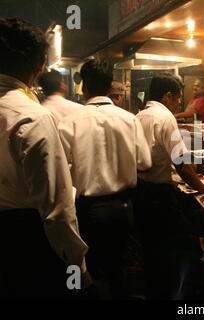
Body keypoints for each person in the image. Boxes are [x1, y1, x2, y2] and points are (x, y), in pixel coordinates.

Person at [0, 17, 89, 299]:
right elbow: (57, 209)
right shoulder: (31, 116)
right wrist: (79, 264)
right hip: (24, 242)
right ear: (39, 64)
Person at [57, 59, 152, 299]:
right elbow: (145, 163)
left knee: (94, 269)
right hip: (123, 207)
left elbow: (61, 170)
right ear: (111, 86)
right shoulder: (129, 119)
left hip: (88, 209)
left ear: (83, 87)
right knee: (119, 265)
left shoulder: (69, 122)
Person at [135, 73, 204, 299]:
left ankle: (154, 292)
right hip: (160, 197)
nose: (179, 103)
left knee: (150, 252)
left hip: (140, 192)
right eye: (178, 98)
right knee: (179, 251)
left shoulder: (139, 116)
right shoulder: (165, 117)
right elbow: (182, 165)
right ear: (168, 96)